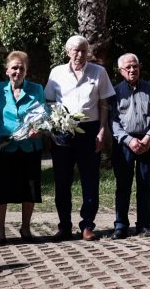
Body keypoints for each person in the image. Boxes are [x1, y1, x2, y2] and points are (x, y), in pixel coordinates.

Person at [45, 35, 113, 241]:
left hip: (89, 130)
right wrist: (52, 127)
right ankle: (64, 225)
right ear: (67, 52)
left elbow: (104, 105)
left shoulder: (99, 72)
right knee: (62, 181)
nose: (79, 54)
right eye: (75, 50)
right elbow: (48, 102)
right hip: (63, 131)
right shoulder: (56, 73)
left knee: (90, 180)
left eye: (83, 50)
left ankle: (87, 225)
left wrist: (102, 131)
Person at [0, 51, 45, 243]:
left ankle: (26, 229)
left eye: (21, 67)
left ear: (26, 70)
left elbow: (43, 114)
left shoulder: (36, 89)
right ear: (7, 70)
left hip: (30, 146)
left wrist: (39, 130)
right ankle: (0, 231)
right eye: (14, 67)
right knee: (1, 189)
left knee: (29, 188)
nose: (18, 71)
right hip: (4, 147)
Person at [109, 53, 150, 239]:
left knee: (144, 184)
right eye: (128, 67)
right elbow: (113, 121)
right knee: (123, 185)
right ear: (121, 71)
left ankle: (144, 225)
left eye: (135, 66)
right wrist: (128, 140)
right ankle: (121, 225)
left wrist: (148, 138)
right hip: (124, 144)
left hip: (147, 143)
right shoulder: (114, 92)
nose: (132, 70)